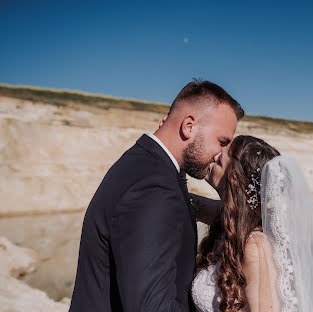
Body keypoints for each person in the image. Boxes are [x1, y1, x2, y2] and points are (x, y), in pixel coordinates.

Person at [69, 79, 244, 312]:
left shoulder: (146, 166)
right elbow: (152, 306)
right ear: (189, 126)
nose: (221, 155)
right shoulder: (154, 187)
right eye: (221, 141)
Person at [191, 135, 313, 312]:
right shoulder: (230, 221)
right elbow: (189, 203)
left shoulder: (255, 247)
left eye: (223, 156)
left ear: (236, 179)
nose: (216, 154)